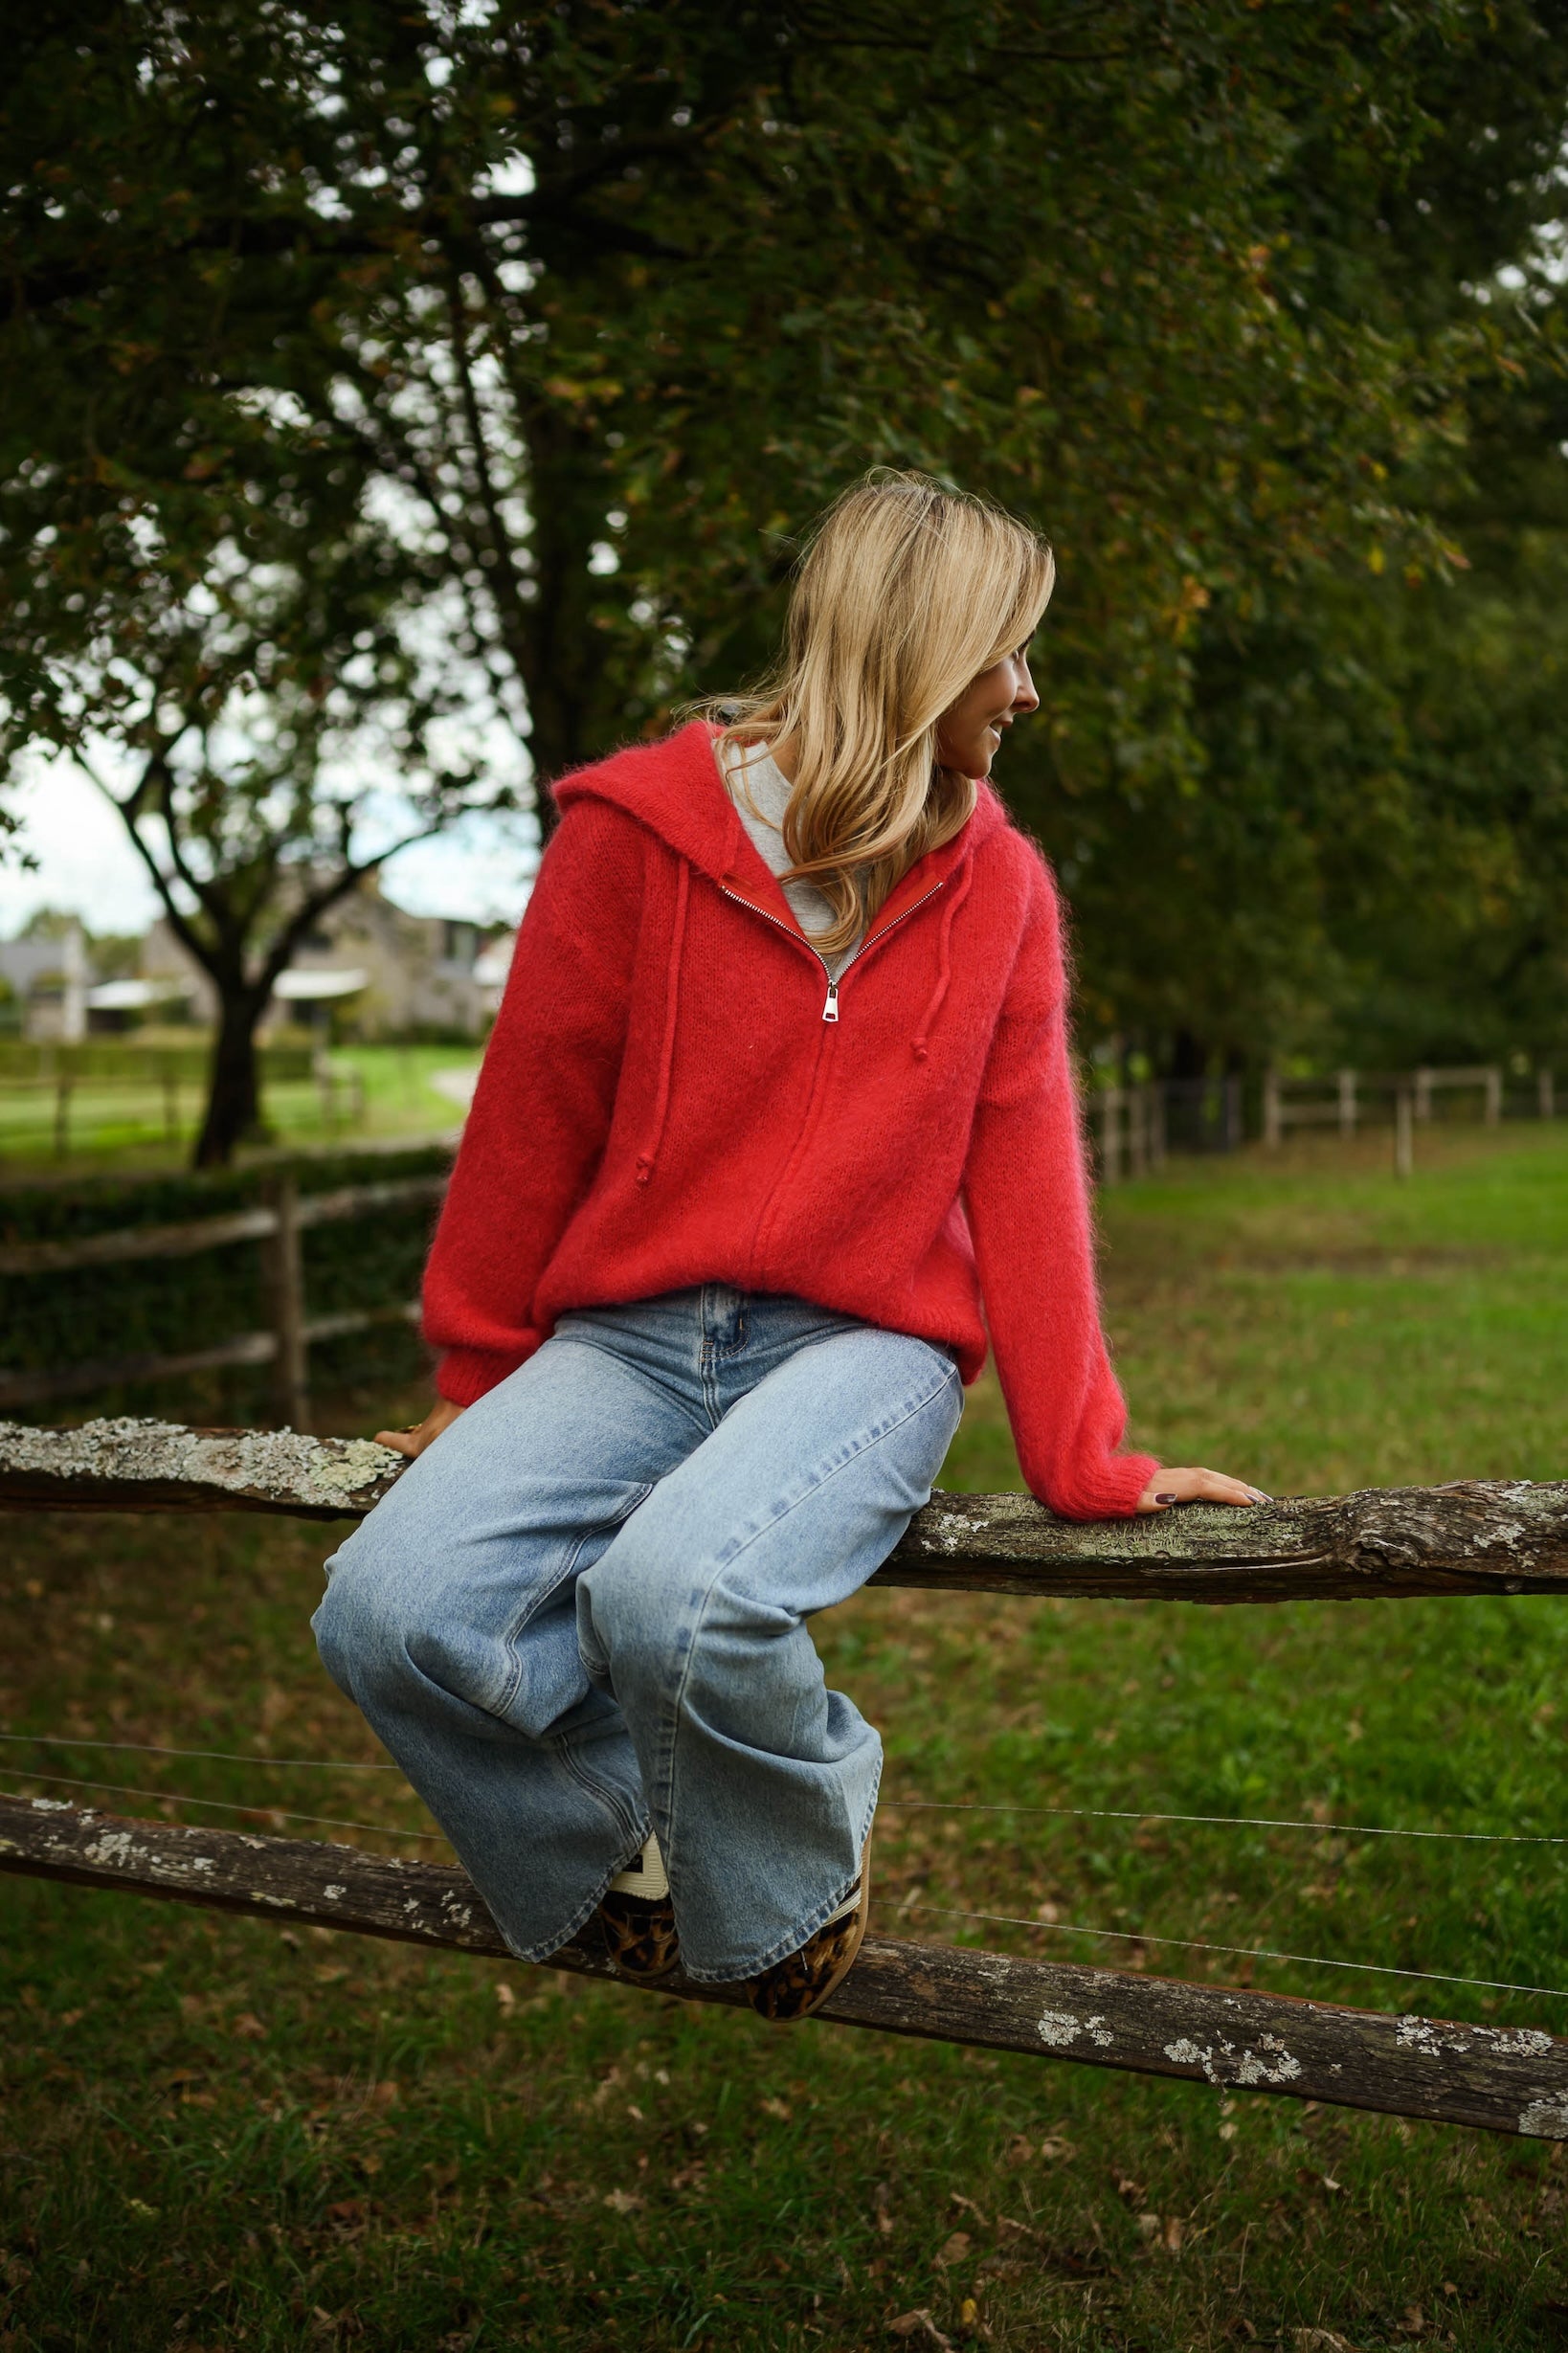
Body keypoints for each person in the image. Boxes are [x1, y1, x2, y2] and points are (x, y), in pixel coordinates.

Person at [313, 471, 1264, 2023]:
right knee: (387, 1610)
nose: (1026, 690)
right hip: (622, 1341)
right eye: (1003, 653)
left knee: (675, 1594)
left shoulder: (1000, 890)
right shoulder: (630, 838)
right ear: (913, 647)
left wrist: (1084, 1456)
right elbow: (527, 1116)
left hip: (861, 1349)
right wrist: (478, 1378)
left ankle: (789, 1884)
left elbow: (1026, 1173)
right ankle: (623, 1849)